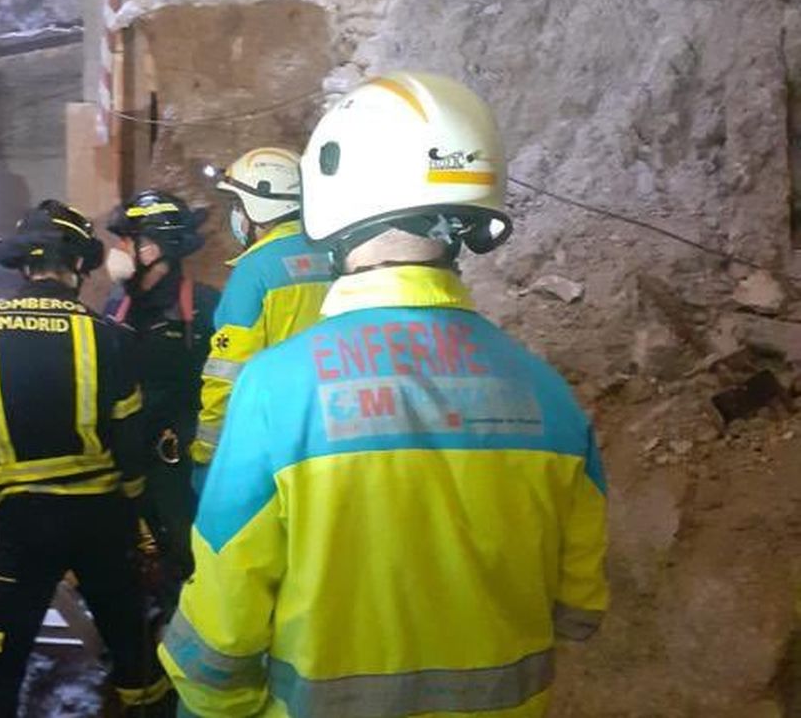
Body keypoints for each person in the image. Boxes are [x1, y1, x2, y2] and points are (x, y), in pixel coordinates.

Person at [160, 72, 609, 717]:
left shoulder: (276, 391)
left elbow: (221, 637)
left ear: (334, 194)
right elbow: (578, 607)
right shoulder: (549, 395)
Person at [0, 201, 170, 717]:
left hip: (18, 526)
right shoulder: (109, 338)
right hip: (100, 522)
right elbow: (130, 449)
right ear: (78, 266)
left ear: (25, 267)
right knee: (132, 651)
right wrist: (141, 519)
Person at [191, 148, 333, 489]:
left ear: (262, 206)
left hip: (273, 445)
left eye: (238, 206)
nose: (236, 216)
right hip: (334, 434)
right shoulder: (337, 257)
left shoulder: (254, 272)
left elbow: (226, 375)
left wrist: (205, 452)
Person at [104, 190, 218, 589]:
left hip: (180, 466)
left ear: (150, 249)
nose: (117, 251)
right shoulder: (116, 305)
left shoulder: (204, 307)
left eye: (125, 242)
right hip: (127, 461)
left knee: (185, 558)